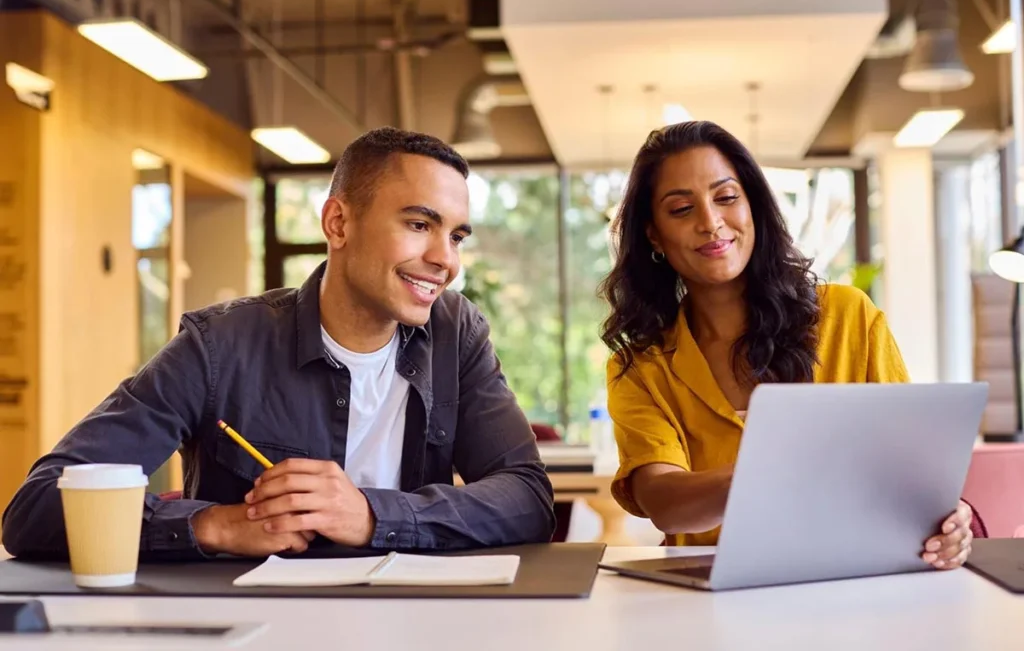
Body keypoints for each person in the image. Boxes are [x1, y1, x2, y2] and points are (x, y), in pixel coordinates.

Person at [2, 127, 555, 559]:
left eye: (456, 236)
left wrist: (370, 515)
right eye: (418, 225)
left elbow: (528, 498)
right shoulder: (218, 345)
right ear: (338, 223)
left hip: (406, 619)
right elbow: (37, 505)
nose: (446, 260)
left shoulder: (456, 333)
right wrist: (211, 525)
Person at [599, 120, 976, 571]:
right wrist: (772, 473)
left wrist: (950, 522)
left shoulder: (848, 317)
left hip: (853, 581)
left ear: (753, 206)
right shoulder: (641, 365)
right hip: (708, 590)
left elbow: (913, 468)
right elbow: (663, 500)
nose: (711, 222)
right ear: (654, 235)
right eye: (681, 209)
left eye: (726, 197)